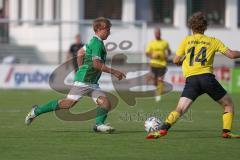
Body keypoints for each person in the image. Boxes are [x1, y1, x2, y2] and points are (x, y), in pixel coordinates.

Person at [147, 12, 240, 139]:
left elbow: (175, 60)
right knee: (228, 104)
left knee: (180, 109)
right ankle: (226, 131)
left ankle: (163, 129)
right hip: (207, 79)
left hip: (192, 81)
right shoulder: (213, 41)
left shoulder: (186, 40)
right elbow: (232, 55)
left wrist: (182, 60)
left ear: (191, 27)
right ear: (205, 27)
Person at [25, 17, 126, 133]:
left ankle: (99, 125)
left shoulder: (93, 41)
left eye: (109, 30)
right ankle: (36, 111)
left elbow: (80, 52)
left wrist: (80, 67)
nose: (109, 32)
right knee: (68, 104)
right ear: (98, 29)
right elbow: (97, 65)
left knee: (106, 102)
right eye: (107, 30)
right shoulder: (96, 43)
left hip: (92, 82)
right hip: (83, 81)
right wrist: (115, 71)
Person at [145, 27, 171, 102]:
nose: (157, 35)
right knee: (155, 81)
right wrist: (152, 56)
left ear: (160, 34)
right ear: (154, 34)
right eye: (156, 33)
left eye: (158, 33)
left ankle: (158, 94)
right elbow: (147, 53)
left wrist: (166, 56)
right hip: (153, 64)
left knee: (160, 79)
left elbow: (169, 51)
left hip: (162, 64)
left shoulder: (165, 42)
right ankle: (158, 89)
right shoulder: (151, 43)